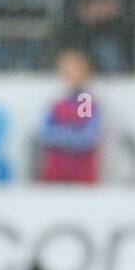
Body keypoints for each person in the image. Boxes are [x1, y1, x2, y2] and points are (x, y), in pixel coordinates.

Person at [38, 48, 101, 184]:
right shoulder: (58, 102)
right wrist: (69, 135)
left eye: (76, 69)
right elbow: (46, 133)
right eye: (68, 70)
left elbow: (86, 138)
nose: (72, 74)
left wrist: (63, 136)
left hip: (81, 173)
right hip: (56, 172)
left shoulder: (86, 100)